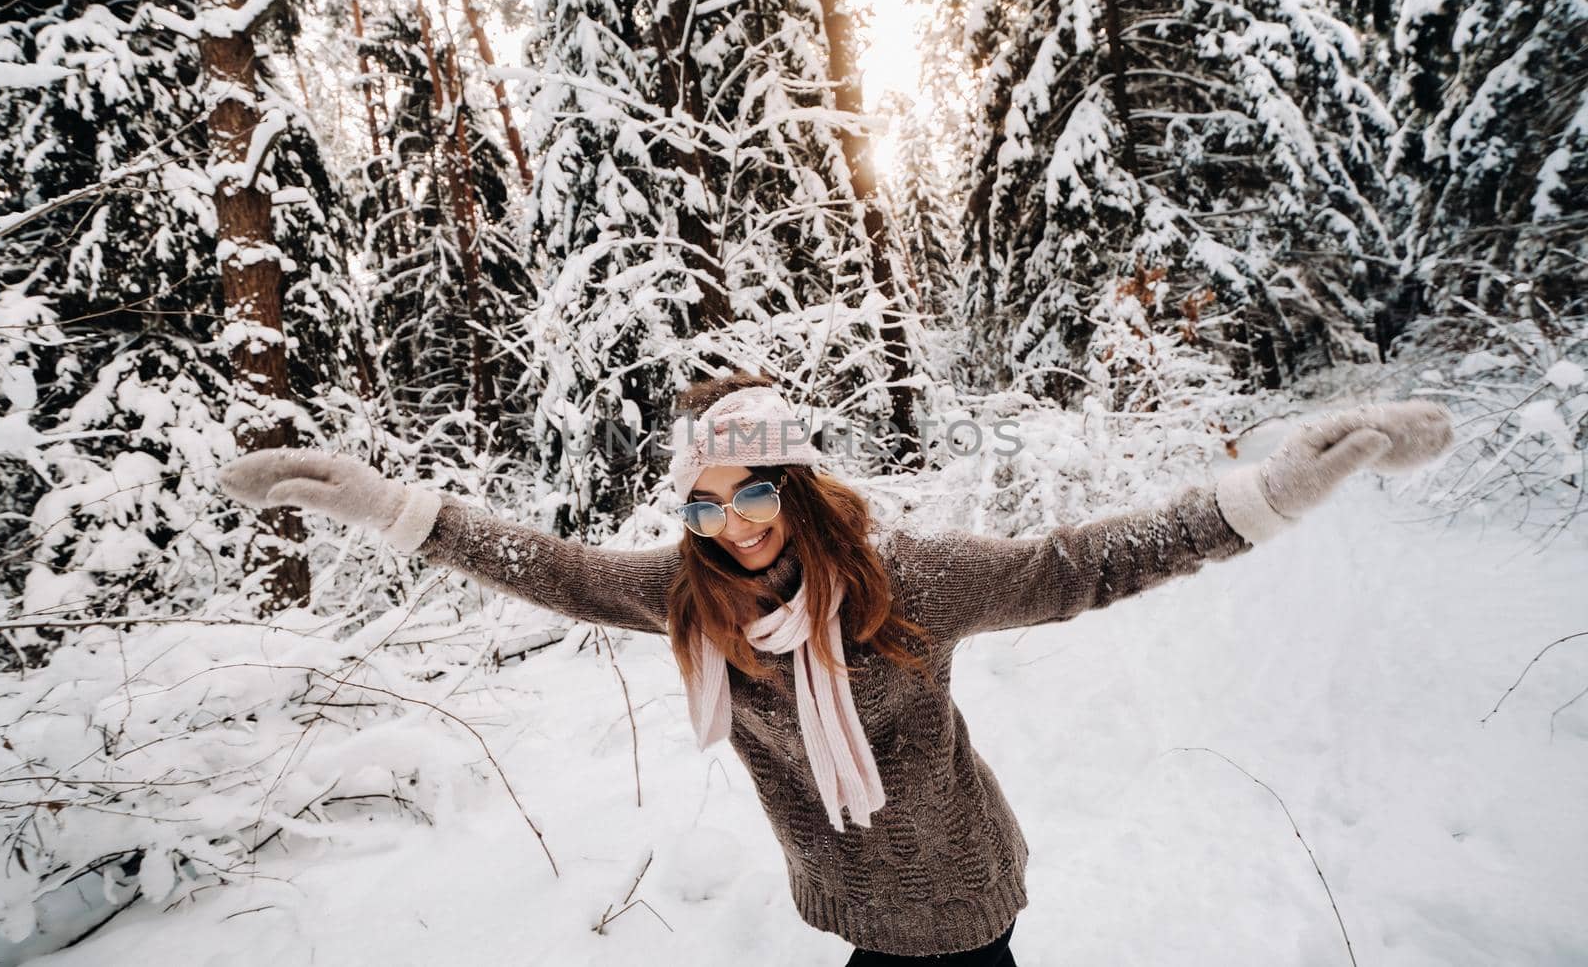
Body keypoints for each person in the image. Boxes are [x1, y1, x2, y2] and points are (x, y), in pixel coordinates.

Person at [217, 374, 1454, 964]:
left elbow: (1083, 561)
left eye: (754, 488)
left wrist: (1274, 490)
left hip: (960, 900)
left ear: (798, 485)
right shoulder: (688, 591)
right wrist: (392, 507)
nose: (733, 520)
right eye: (704, 502)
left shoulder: (907, 578)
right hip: (847, 894)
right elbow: (551, 566)